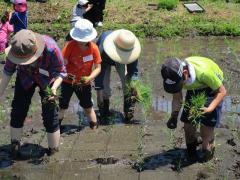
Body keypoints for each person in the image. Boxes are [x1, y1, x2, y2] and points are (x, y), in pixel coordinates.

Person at [0, 29, 67, 158]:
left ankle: (53, 151)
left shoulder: (51, 48)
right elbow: (7, 72)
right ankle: (15, 147)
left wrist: (53, 89)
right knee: (18, 109)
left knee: (50, 113)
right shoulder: (15, 50)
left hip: (48, 80)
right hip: (26, 77)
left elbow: (61, 72)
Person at [161, 56, 226, 162]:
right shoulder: (174, 75)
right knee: (188, 126)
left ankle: (207, 156)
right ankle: (191, 152)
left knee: (206, 129)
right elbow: (177, 98)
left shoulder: (205, 72)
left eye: (179, 85)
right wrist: (174, 115)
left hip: (212, 88)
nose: (179, 87)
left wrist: (209, 109)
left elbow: (222, 92)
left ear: (185, 73)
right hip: (195, 87)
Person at [59, 19, 101, 132]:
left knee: (88, 107)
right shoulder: (70, 46)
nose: (81, 42)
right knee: (62, 106)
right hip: (67, 82)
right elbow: (62, 64)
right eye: (79, 39)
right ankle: (55, 128)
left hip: (84, 83)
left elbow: (98, 68)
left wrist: (89, 78)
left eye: (84, 40)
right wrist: (65, 71)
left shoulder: (94, 48)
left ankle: (94, 127)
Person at [95, 29, 141, 124]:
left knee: (127, 84)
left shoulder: (130, 48)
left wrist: (134, 88)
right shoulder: (102, 49)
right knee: (105, 85)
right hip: (105, 58)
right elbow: (99, 74)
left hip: (121, 58)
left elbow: (133, 72)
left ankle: (128, 111)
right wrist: (99, 95)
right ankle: (104, 110)